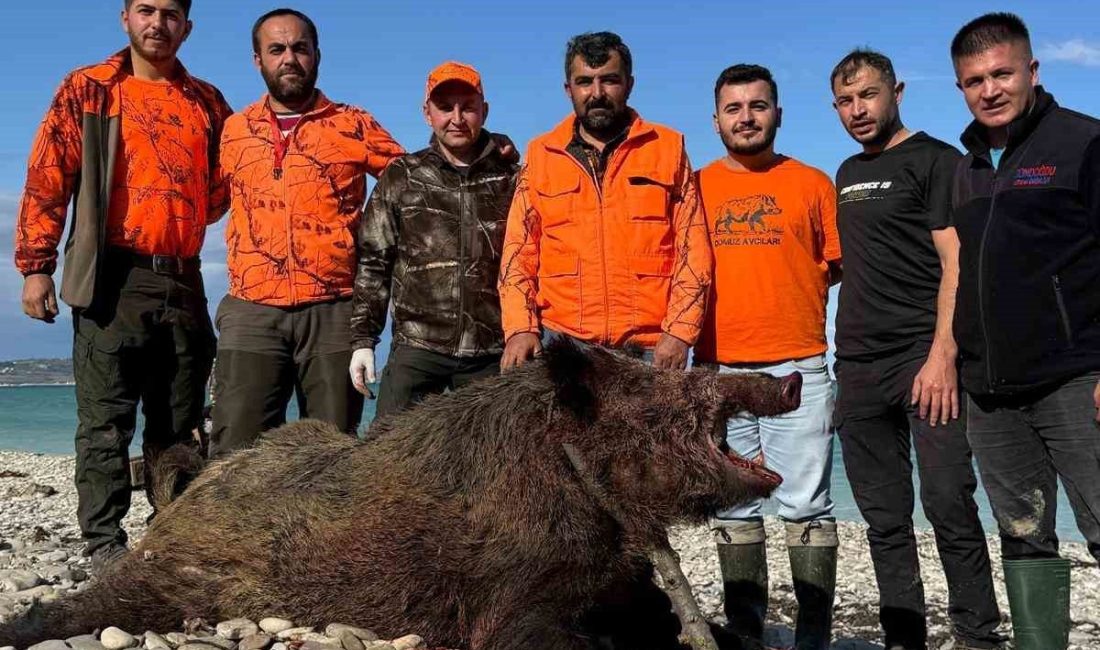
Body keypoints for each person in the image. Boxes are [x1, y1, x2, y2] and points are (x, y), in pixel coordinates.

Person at [14, 0, 231, 570]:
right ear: (125, 18)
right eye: (145, 10)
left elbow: (228, 185)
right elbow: (47, 175)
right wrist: (35, 264)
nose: (157, 23)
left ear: (187, 25)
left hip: (184, 277)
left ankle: (169, 538)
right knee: (106, 421)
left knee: (179, 421)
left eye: (169, 13)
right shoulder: (89, 89)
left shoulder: (206, 102)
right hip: (112, 274)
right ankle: (105, 546)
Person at [829, 49, 1002, 650]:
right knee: (883, 519)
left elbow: (957, 262)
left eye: (869, 95)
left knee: (949, 502)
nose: (858, 110)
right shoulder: (847, 173)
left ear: (896, 90)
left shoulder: (937, 161)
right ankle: (905, 637)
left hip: (922, 359)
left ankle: (978, 635)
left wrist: (942, 355)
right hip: (855, 363)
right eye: (846, 101)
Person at [950, 13, 1100, 649]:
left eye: (1002, 73)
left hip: (1074, 378)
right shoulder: (968, 167)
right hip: (990, 393)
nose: (989, 90)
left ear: (1032, 71)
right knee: (1022, 531)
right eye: (974, 80)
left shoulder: (1084, 143)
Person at [209, 8, 405, 457]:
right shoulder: (234, 131)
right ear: (257, 60)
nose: (289, 58)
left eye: (300, 48)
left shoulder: (352, 123)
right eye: (276, 49)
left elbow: (413, 183)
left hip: (335, 310)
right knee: (236, 453)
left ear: (317, 55)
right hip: (251, 309)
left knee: (333, 453)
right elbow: (203, 202)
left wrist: (489, 153)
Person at [695, 64, 841, 650]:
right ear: (717, 120)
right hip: (717, 371)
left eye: (758, 106)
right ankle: (746, 632)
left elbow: (835, 266)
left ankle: (812, 636)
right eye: (734, 108)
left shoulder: (812, 183)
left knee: (806, 505)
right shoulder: (696, 186)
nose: (747, 117)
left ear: (778, 113)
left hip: (797, 367)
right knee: (733, 506)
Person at [498, 31, 711, 370]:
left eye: (609, 80)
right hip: (562, 347)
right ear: (569, 89)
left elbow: (694, 250)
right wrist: (520, 328)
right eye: (585, 82)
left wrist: (680, 333)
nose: (596, 94)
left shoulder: (667, 149)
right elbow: (518, 252)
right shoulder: (540, 155)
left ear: (629, 84)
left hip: (649, 352)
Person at [349, 62, 518, 416]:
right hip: (417, 350)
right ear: (427, 114)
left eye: (468, 106)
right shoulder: (402, 175)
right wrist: (364, 340)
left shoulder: (512, 179)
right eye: (445, 107)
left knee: (492, 467)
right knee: (387, 461)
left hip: (490, 354)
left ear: (483, 111)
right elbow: (373, 261)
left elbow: (530, 261)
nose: (457, 118)